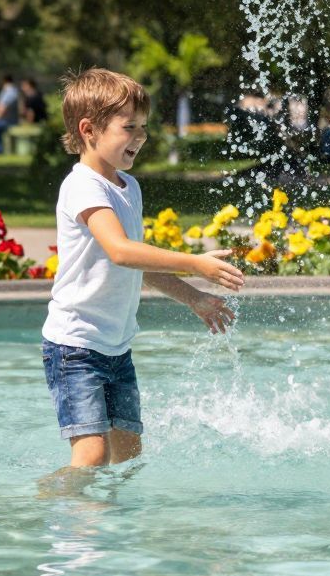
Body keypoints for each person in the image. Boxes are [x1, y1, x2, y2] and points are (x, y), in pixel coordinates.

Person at [42, 67, 243, 473]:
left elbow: (138, 266)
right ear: (89, 130)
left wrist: (194, 297)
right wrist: (195, 263)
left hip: (116, 348)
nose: (140, 137)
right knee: (92, 456)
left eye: (144, 127)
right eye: (129, 127)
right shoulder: (83, 185)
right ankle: (56, 513)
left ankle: (111, 529)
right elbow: (121, 251)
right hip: (76, 347)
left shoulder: (127, 187)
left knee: (129, 455)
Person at [0, 73, 21, 154]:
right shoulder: (13, 91)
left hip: (8, 121)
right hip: (9, 120)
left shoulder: (9, 92)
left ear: (4, 81)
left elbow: (2, 108)